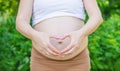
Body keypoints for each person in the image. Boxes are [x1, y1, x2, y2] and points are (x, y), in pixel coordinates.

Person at [16, 0, 103, 71]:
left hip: (77, 61)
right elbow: (21, 21)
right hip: (42, 61)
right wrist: (35, 35)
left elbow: (96, 16)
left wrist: (81, 33)